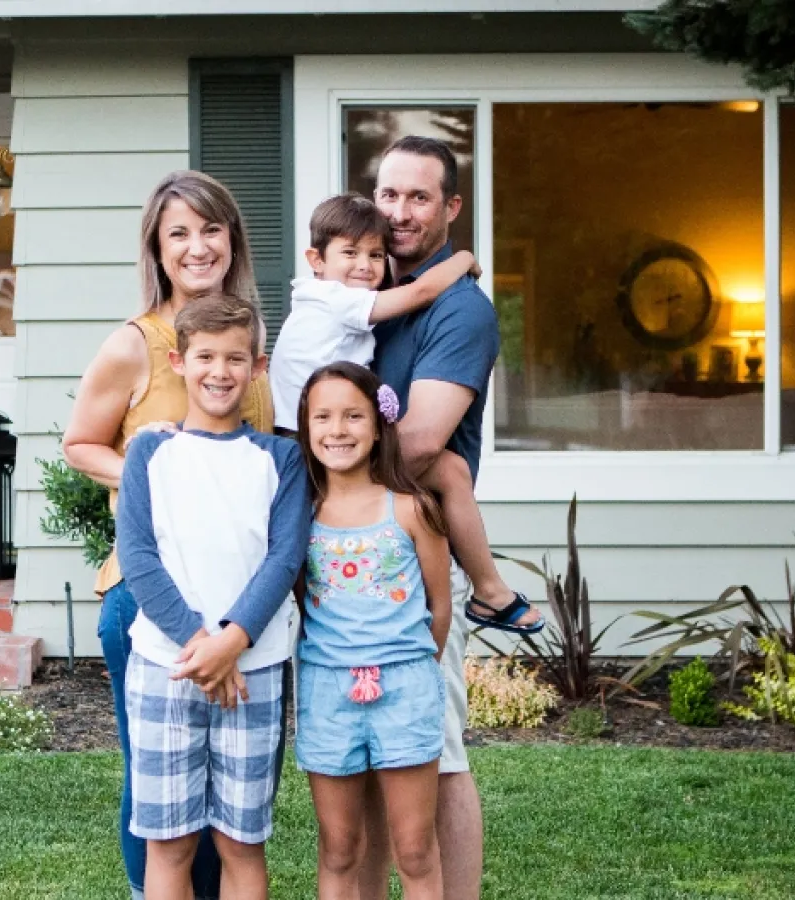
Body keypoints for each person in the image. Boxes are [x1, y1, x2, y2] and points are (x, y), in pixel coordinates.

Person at [62, 171, 275, 900]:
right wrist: (150, 471)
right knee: (158, 798)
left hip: (241, 609)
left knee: (236, 802)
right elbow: (79, 443)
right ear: (157, 246)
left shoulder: (249, 341)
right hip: (147, 598)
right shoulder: (137, 343)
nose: (197, 246)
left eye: (211, 229)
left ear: (232, 239)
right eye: (178, 232)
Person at [269, 193, 540, 635]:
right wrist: (465, 259)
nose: (364, 265)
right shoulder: (336, 300)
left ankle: (490, 591)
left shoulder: (326, 300)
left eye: (376, 254)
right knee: (449, 471)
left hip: (314, 440)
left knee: (449, 470)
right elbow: (423, 291)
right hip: (305, 448)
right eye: (350, 253)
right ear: (315, 259)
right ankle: (491, 591)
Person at [116, 293, 310, 900]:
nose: (218, 371)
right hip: (165, 668)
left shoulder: (281, 458)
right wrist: (203, 647)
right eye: (205, 356)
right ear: (178, 361)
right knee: (169, 843)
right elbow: (139, 557)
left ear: (257, 366)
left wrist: (233, 642)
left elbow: (284, 558)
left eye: (235, 358)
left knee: (240, 842)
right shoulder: (151, 452)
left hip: (252, 669)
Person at [357, 136, 500, 900]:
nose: (400, 212)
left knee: (436, 755)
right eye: (388, 195)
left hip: (417, 567)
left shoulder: (460, 311)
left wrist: (315, 468)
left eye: (419, 198)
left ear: (450, 208)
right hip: (343, 557)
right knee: (368, 758)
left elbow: (418, 441)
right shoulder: (363, 296)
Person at [293, 361, 454, 900]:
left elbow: (439, 604)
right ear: (306, 426)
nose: (338, 430)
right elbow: (300, 596)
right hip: (327, 691)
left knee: (414, 848)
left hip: (404, 689)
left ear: (379, 425)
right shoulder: (300, 515)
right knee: (339, 847)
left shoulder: (412, 510)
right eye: (324, 417)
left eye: (353, 415)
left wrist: (410, 666)